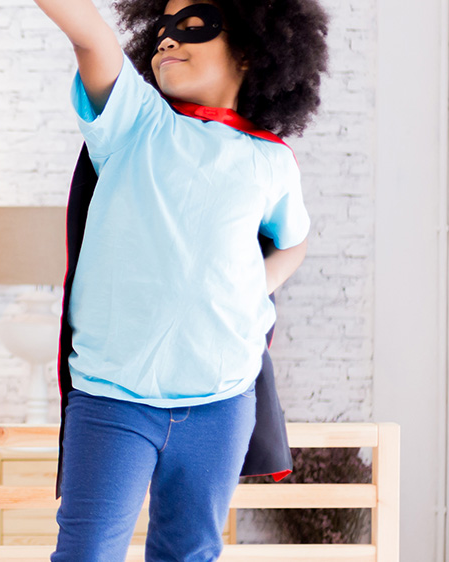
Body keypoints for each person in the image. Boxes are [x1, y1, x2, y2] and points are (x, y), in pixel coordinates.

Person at [28, 0, 330, 560]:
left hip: (221, 402)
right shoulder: (136, 121)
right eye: (161, 30)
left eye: (191, 27)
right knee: (86, 550)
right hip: (113, 398)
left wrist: (255, 284)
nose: (166, 40)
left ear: (250, 47)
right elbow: (92, 39)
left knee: (189, 553)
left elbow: (294, 239)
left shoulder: (270, 161)